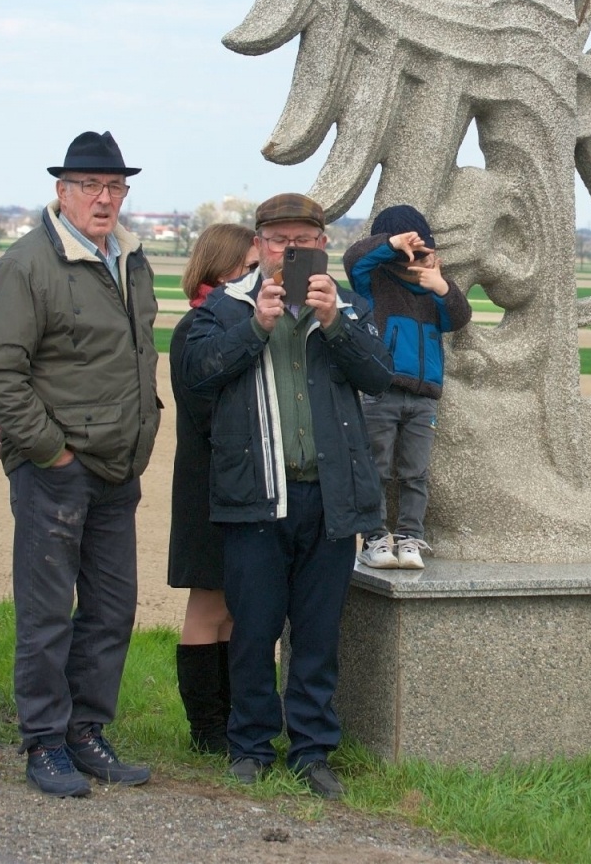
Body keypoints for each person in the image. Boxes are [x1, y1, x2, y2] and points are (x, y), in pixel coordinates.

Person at [179, 193, 392, 800]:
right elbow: (198, 374)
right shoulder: (224, 310)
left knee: (318, 633)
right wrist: (258, 327)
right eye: (279, 241)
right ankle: (249, 746)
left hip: (329, 498)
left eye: (305, 241)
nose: (291, 252)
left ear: (323, 244)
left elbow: (380, 375)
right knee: (253, 630)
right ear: (259, 246)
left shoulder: (347, 308)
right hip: (256, 497)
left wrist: (333, 324)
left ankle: (312, 749)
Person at [0, 131, 160, 798]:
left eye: (114, 187)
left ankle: (86, 731)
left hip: (118, 467)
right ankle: (44, 741)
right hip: (57, 468)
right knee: (48, 610)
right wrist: (50, 449)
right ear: (62, 191)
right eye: (90, 186)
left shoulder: (133, 260)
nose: (104, 199)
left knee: (110, 608)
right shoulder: (28, 264)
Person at [167, 222, 257, 754]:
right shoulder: (197, 327)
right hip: (208, 483)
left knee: (230, 608)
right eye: (248, 267)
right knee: (207, 605)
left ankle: (226, 721)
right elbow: (208, 412)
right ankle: (207, 729)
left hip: (237, 484)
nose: (255, 276)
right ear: (222, 269)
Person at [343, 205, 472, 570]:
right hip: (381, 389)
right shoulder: (374, 283)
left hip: (424, 396)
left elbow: (458, 318)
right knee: (376, 468)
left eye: (423, 251)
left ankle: (409, 536)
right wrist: (391, 243)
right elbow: (354, 260)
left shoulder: (431, 288)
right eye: (410, 252)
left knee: (416, 473)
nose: (416, 259)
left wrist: (442, 287)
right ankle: (374, 537)